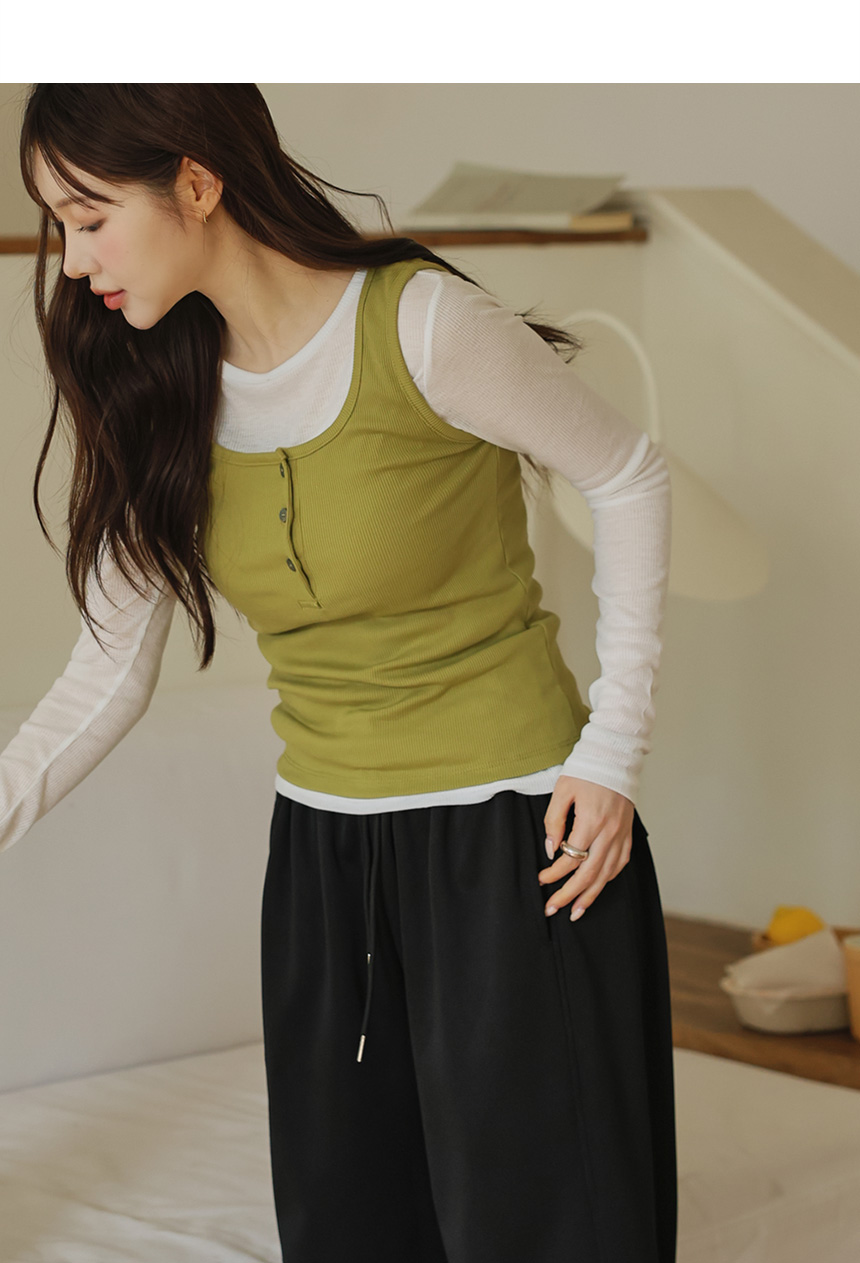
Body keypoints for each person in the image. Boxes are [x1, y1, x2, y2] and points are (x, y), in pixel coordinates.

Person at [3, 84, 676, 1262]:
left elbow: (626, 475)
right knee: (353, 1227)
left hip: (514, 837)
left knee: (544, 1228)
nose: (75, 260)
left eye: (91, 218)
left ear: (196, 182)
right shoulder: (163, 386)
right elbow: (106, 671)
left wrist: (610, 749)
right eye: (58, 225)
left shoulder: (420, 325)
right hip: (323, 856)